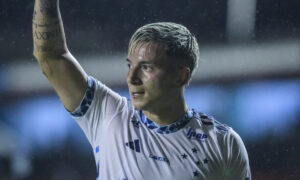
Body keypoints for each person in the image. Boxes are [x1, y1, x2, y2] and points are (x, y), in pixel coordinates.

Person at [32, 0, 251, 179]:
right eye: (130, 66)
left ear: (181, 76)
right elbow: (52, 57)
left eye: (146, 67)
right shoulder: (108, 114)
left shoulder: (223, 143)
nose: (131, 78)